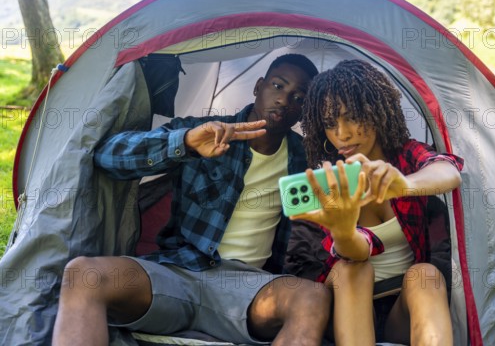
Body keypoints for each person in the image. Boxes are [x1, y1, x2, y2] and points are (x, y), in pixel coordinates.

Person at [52, 54, 332, 346]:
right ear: (258, 86)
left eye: (299, 98)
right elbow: (107, 157)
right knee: (83, 274)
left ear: (304, 111)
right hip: (179, 272)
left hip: (248, 290)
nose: (285, 101)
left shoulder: (307, 160)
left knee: (312, 297)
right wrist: (183, 143)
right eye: (278, 86)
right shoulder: (204, 131)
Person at [289, 59, 464, 346]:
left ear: (376, 111)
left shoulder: (406, 157)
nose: (342, 134)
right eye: (330, 124)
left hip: (402, 310)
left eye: (352, 117)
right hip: (346, 308)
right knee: (353, 269)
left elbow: (448, 172)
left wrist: (405, 185)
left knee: (425, 274)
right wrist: (344, 232)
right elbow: (355, 254)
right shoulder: (329, 180)